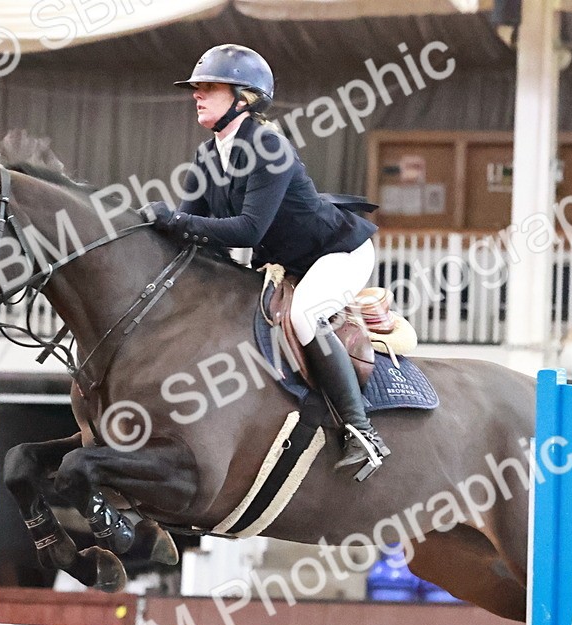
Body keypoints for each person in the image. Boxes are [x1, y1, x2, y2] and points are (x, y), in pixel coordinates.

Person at [144, 43, 389, 477]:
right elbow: (195, 228)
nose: (196, 94)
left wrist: (176, 220)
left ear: (244, 97)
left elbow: (246, 231)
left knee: (303, 317)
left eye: (208, 87)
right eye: (196, 88)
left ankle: (361, 430)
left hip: (337, 252)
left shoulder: (268, 146)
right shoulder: (207, 154)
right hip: (288, 261)